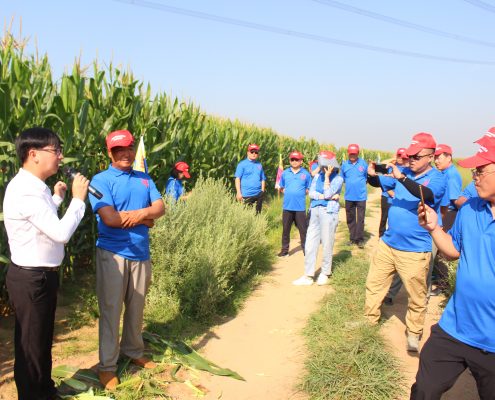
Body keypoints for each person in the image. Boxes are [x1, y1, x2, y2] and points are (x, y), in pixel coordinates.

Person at [4, 127, 89, 400]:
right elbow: (60, 233)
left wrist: (58, 199)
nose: (60, 156)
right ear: (34, 154)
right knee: (31, 348)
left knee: (40, 342)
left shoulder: (34, 188)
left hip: (40, 277)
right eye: (56, 150)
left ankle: (45, 391)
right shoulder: (25, 191)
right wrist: (78, 200)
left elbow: (39, 220)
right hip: (31, 279)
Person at [411, 138, 495, 399]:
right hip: (456, 328)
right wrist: (434, 228)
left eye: (481, 171)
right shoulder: (470, 208)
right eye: (474, 171)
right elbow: (453, 251)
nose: (474, 177)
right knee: (424, 389)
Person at [89, 130, 165, 390]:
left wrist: (141, 214)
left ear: (133, 149)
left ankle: (133, 351)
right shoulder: (100, 180)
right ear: (110, 153)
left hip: (141, 253)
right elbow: (109, 218)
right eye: (118, 150)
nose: (125, 154)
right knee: (111, 310)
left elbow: (160, 208)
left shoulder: (144, 178)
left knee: (136, 307)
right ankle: (107, 367)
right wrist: (147, 219)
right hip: (113, 254)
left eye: (128, 148)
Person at [365, 132, 446, 352]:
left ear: (430, 157)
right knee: (374, 284)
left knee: (416, 296)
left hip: (414, 249)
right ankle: (370, 320)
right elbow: (377, 181)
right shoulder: (405, 172)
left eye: (416, 156)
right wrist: (371, 174)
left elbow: (427, 194)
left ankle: (414, 333)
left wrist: (401, 178)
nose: (411, 160)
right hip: (389, 243)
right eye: (409, 156)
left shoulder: (437, 178)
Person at [293, 151, 343, 286]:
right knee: (310, 243)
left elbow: (328, 193)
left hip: (329, 212)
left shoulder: (338, 179)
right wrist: (323, 197)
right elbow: (312, 193)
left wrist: (326, 178)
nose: (323, 168)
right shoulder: (317, 176)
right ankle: (308, 275)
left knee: (327, 243)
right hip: (314, 211)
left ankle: (325, 272)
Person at [429, 144, 462, 295]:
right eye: (435, 158)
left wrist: (441, 221)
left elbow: (453, 200)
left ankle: (443, 285)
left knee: (442, 250)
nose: (436, 161)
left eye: (439, 157)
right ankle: (437, 277)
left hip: (449, 214)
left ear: (449, 157)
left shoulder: (451, 175)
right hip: (444, 213)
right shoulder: (443, 173)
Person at [278, 151, 311, 257]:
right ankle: (284, 251)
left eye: (297, 159)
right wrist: (288, 192)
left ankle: (306, 250)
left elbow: (308, 188)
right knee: (285, 230)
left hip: (300, 207)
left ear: (301, 161)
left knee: (303, 230)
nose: (294, 161)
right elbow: (281, 187)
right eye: (292, 159)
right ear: (290, 161)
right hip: (287, 207)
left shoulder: (306, 174)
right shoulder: (285, 173)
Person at [340, 143, 368, 248]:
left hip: (361, 196)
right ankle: (352, 238)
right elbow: (342, 179)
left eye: (354, 153)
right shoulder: (344, 165)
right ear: (348, 153)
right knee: (350, 218)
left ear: (358, 153)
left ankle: (359, 239)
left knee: (360, 218)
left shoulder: (363, 164)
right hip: (349, 196)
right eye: (351, 153)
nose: (352, 155)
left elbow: (366, 177)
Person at [379, 147, 409, 238]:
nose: (400, 158)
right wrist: (391, 193)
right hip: (387, 196)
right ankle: (381, 236)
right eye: (399, 155)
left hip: (399, 198)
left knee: (395, 218)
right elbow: (385, 181)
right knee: (384, 217)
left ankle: (393, 236)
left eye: (402, 156)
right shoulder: (390, 167)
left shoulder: (407, 170)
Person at [235, 143, 266, 214]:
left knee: (257, 215)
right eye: (252, 152)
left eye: (256, 152)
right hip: (246, 195)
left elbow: (263, 179)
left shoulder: (259, 165)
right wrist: (238, 192)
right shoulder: (242, 164)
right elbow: (237, 179)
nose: (254, 154)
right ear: (248, 153)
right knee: (246, 215)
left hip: (258, 194)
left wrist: (262, 191)